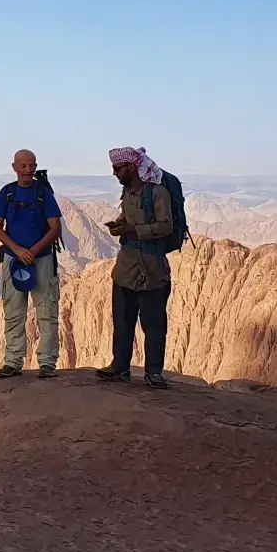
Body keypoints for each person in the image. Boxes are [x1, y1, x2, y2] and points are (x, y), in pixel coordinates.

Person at [100, 146, 175, 389]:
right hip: (125, 268)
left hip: (152, 269)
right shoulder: (128, 193)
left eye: (117, 168)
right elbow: (127, 218)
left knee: (153, 325)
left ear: (132, 167)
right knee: (122, 320)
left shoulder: (157, 193)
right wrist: (119, 224)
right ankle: (120, 367)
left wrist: (133, 230)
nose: (114, 173)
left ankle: (154, 372)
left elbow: (166, 227)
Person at [0, 149, 63, 379]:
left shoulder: (43, 194)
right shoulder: (7, 193)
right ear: (14, 167)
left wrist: (33, 250)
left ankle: (47, 363)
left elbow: (55, 228)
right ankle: (13, 361)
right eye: (23, 166)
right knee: (13, 311)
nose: (28, 170)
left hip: (40, 260)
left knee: (47, 311)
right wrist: (18, 250)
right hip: (14, 260)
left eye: (32, 165)